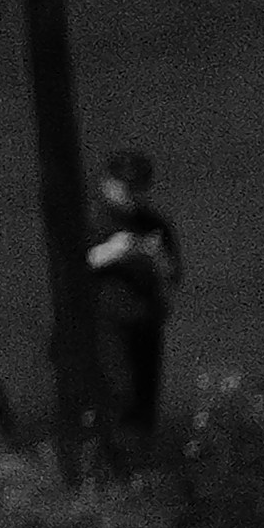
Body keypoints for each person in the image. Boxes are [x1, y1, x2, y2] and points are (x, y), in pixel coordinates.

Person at [72, 145, 185, 459]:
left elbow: (173, 275)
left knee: (145, 397)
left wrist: (156, 256)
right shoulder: (91, 219)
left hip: (146, 321)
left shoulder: (154, 224)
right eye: (126, 188)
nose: (133, 196)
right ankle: (114, 460)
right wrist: (111, 251)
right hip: (106, 322)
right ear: (107, 183)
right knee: (119, 392)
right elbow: (72, 268)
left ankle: (141, 461)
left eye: (140, 189)